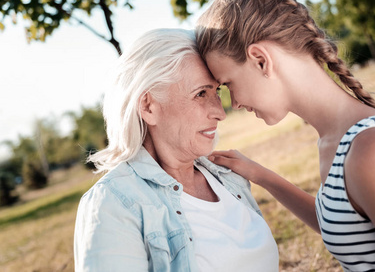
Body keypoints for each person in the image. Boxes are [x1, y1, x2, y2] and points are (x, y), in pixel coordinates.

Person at [195, 0, 375, 272]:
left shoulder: (373, 150)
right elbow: (343, 221)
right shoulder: (337, 141)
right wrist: (259, 174)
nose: (234, 103)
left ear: (260, 60)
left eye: (228, 84)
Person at [73, 28, 279, 272]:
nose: (220, 112)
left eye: (217, 91)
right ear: (148, 106)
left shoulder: (229, 178)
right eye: (201, 93)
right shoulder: (113, 204)